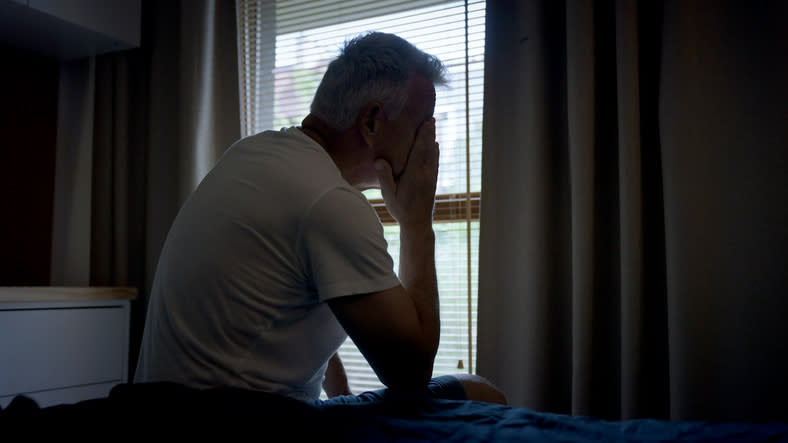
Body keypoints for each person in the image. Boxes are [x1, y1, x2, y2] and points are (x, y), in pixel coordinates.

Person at [134, 31, 506, 407]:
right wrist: (416, 224)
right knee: (482, 393)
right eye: (423, 125)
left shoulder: (251, 154)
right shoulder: (329, 201)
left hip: (162, 407)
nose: (429, 142)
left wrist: (342, 401)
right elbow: (411, 373)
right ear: (373, 121)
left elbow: (303, 322)